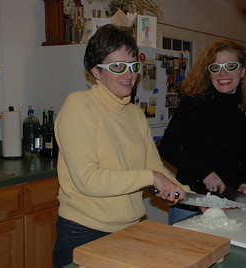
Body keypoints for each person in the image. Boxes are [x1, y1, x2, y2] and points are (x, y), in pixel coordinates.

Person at [52, 24, 188, 268]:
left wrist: (189, 194)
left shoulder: (135, 114)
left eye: (133, 66)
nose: (128, 75)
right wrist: (151, 177)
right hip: (84, 234)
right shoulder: (78, 106)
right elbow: (88, 179)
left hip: (132, 230)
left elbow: (155, 167)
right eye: (117, 67)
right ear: (95, 71)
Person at [159, 39, 246, 224]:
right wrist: (204, 172)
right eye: (215, 68)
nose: (223, 73)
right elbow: (167, 148)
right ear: (209, 72)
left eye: (230, 66)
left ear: (243, 70)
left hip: (230, 205)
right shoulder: (193, 103)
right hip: (190, 205)